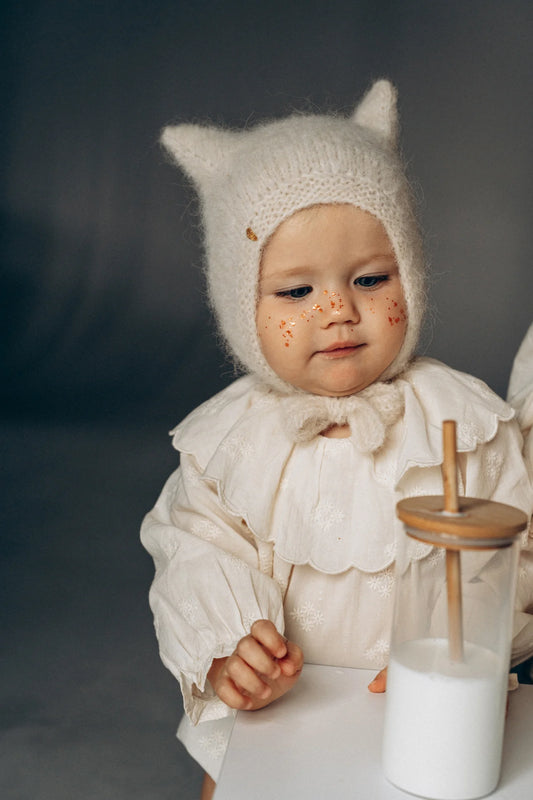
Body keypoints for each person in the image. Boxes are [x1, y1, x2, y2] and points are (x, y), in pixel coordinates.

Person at [141, 80, 533, 800]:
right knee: (235, 779)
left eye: (370, 277)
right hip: (280, 707)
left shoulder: (463, 425)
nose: (338, 310)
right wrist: (231, 647)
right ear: (240, 306)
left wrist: (463, 648)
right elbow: (194, 551)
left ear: (408, 276)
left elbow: (518, 548)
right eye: (294, 292)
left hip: (425, 702)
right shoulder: (228, 444)